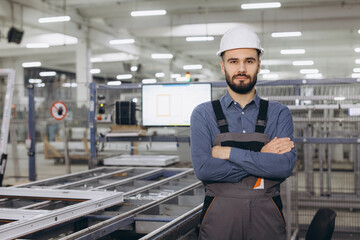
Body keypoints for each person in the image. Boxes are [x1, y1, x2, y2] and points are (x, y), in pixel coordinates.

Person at [190, 25, 297, 240]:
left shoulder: (279, 113)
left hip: (267, 221)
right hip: (219, 222)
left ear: (259, 65)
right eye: (233, 61)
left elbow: (284, 166)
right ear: (222, 66)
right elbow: (204, 170)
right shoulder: (203, 114)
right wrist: (262, 156)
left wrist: (228, 152)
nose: (241, 68)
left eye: (249, 61)